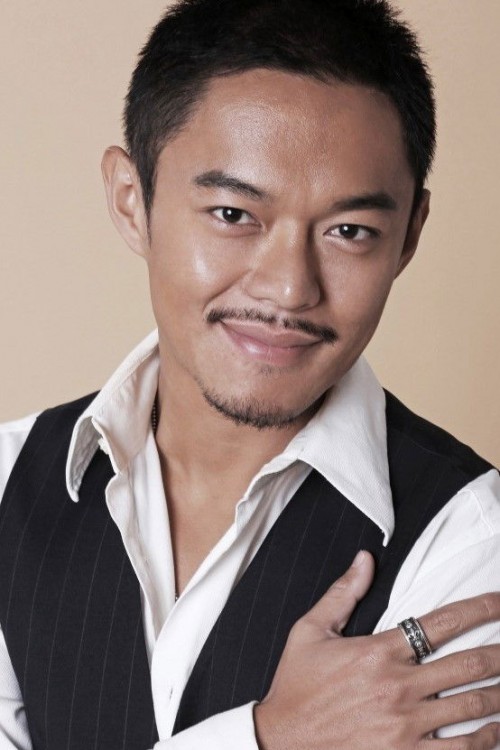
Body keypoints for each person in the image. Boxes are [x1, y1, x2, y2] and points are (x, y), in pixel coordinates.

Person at [0, 0, 499, 748]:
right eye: (234, 215)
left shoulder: (471, 540)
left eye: (350, 231)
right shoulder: (9, 478)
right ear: (132, 201)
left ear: (408, 237)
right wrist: (269, 737)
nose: (289, 288)